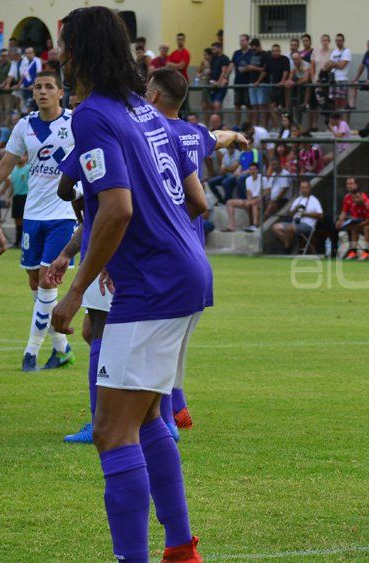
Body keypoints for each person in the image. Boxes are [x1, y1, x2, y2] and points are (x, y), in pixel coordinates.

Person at [50, 7, 210, 561]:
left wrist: (74, 292)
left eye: (63, 46)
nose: (59, 56)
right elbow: (195, 200)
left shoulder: (94, 114)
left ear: (80, 53)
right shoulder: (144, 109)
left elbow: (116, 209)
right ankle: (181, 547)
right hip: (186, 274)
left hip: (151, 286)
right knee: (145, 419)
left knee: (110, 432)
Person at [144, 67, 247, 432]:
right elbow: (216, 137)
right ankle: (179, 406)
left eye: (146, 89)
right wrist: (236, 135)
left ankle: (165, 415)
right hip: (194, 251)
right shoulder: (192, 133)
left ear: (154, 95)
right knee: (179, 337)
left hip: (162, 250)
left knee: (154, 340)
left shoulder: (150, 134)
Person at [0, 71, 76, 371]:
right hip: (32, 214)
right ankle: (62, 349)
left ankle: (31, 352)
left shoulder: (74, 124)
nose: (42, 92)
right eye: (38, 87)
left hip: (63, 214)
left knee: (47, 280)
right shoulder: (25, 126)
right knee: (35, 281)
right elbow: (6, 164)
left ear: (60, 93)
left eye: (49, 87)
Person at [272, 180, 323, 253]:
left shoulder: (314, 200)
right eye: (302, 188)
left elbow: (320, 215)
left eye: (306, 188)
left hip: (308, 225)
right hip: (295, 223)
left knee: (289, 227)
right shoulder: (298, 199)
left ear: (309, 189)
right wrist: (296, 209)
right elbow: (289, 214)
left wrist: (305, 214)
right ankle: (290, 244)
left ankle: (286, 249)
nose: (304, 190)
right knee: (276, 227)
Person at [342, 190, 369, 259]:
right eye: (353, 198)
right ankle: (353, 252)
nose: (355, 199)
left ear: (362, 196)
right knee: (354, 229)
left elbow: (368, 221)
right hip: (366, 225)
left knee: (366, 228)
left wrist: (355, 226)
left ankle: (366, 252)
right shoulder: (354, 206)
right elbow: (356, 219)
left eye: (357, 197)